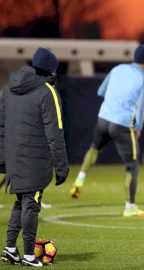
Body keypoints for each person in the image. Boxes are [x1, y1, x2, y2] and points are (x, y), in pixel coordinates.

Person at [0, 47, 69, 267]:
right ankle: (30, 256)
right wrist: (61, 166)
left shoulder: (8, 89)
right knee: (31, 205)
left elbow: (2, 126)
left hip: (14, 157)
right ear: (51, 72)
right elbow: (55, 132)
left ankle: (10, 249)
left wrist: (2, 159)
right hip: (35, 159)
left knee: (21, 202)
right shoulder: (47, 92)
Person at [69, 44, 144, 217]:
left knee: (94, 148)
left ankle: (80, 179)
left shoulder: (117, 69)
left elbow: (101, 91)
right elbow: (141, 107)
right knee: (132, 166)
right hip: (122, 123)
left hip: (103, 118)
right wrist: (137, 128)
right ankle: (130, 207)